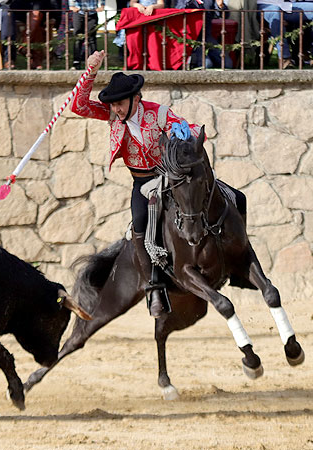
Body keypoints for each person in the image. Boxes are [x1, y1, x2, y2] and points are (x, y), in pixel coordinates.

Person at [70, 51, 246, 317]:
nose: (115, 108)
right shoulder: (111, 116)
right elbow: (78, 106)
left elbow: (189, 129)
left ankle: (239, 256)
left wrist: (188, 131)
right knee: (140, 224)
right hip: (141, 183)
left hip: (170, 178)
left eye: (120, 103)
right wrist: (90, 71)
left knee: (236, 198)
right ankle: (154, 287)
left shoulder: (158, 113)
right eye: (113, 104)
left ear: (136, 99)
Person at [257, 0, 313, 68]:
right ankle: (285, 58)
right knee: (276, 13)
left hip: (288, 5)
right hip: (266, 5)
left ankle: (307, 53)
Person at [70, 0, 105, 70]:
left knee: (91, 38)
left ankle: (94, 62)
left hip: (92, 13)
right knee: (78, 38)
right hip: (79, 12)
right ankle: (76, 62)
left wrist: (102, 5)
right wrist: (72, 6)